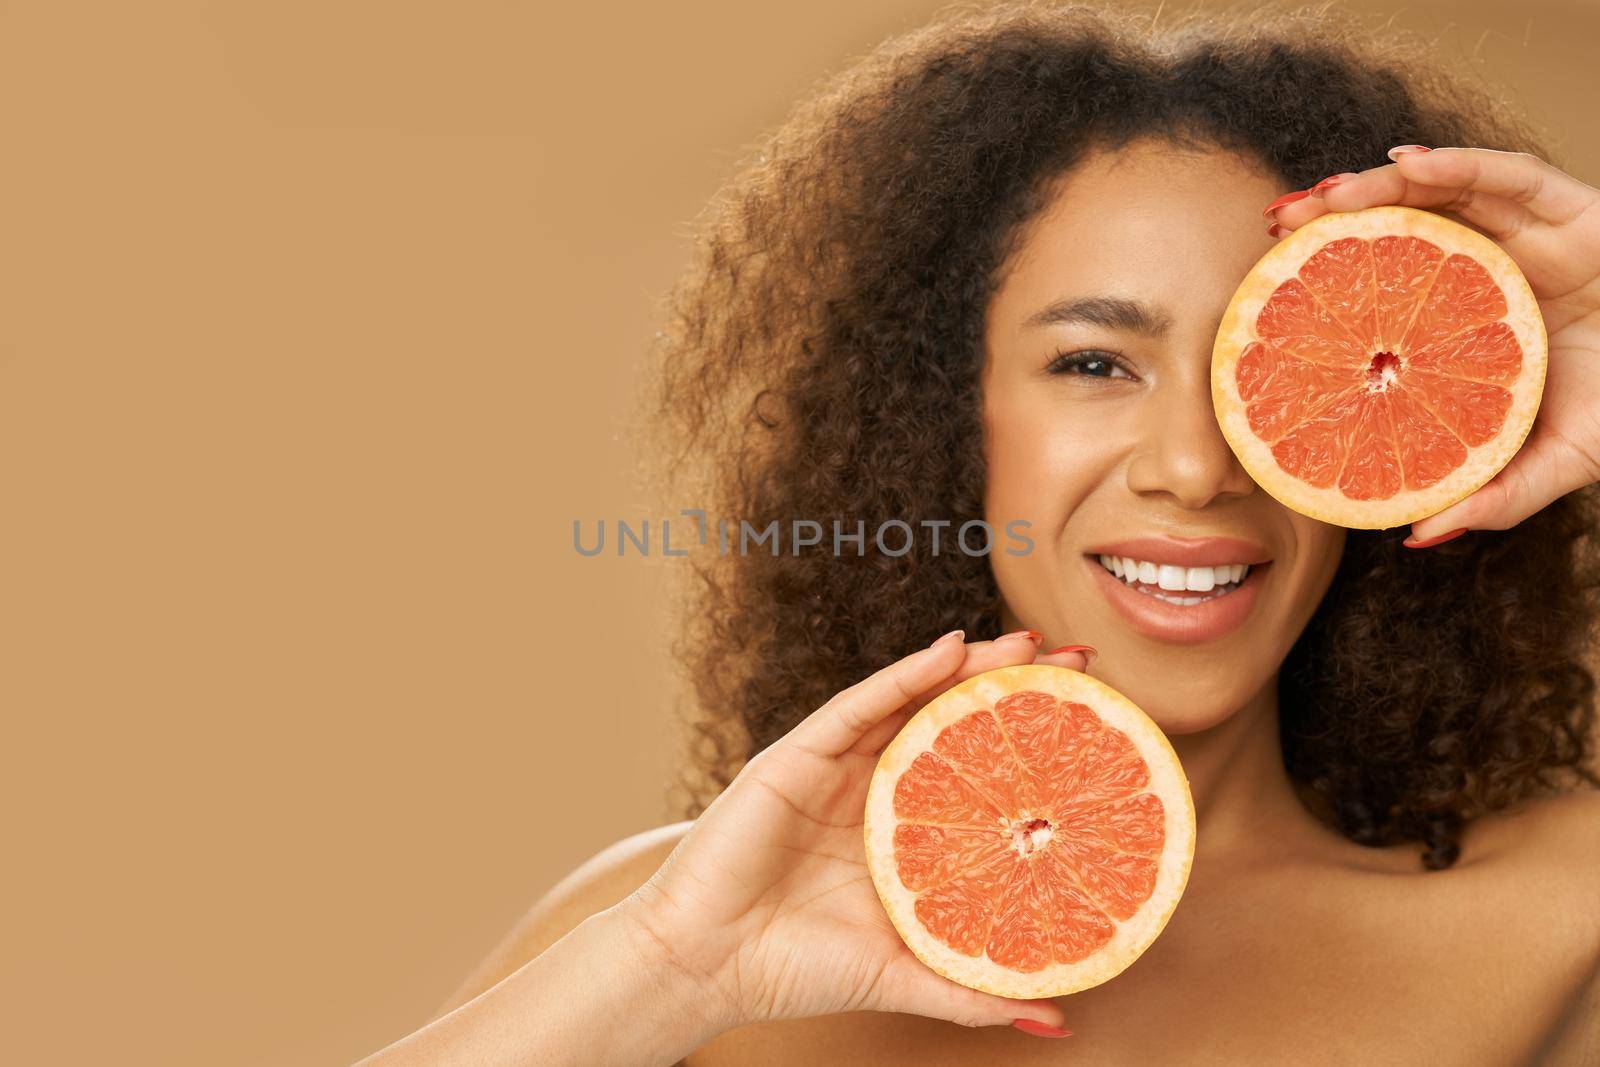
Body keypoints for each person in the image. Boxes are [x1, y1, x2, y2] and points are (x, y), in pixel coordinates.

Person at [359, 4, 1600, 1063]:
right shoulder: (672, 926)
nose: (1194, 466)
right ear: (950, 416)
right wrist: (669, 973)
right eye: (1096, 360)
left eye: (1263, 370)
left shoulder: (1555, 920)